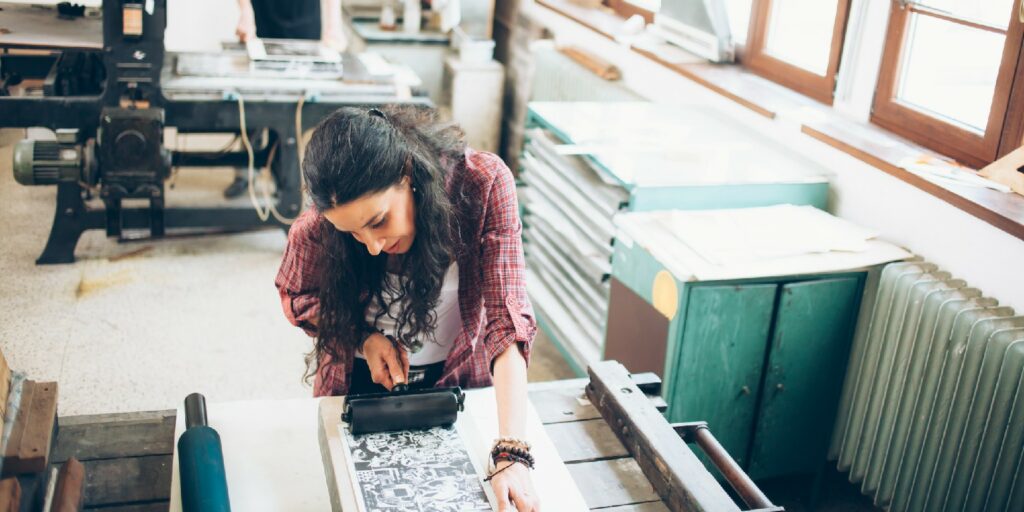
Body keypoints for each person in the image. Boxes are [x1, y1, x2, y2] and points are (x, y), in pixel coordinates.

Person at [275, 106, 541, 511]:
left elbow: (507, 321)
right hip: (353, 389)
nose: (373, 245)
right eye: (353, 233)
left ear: (408, 174)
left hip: (459, 384)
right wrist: (363, 342)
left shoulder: (482, 186)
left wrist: (512, 452)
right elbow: (300, 298)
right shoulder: (316, 228)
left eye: (379, 221)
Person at [225, 0, 347, 198]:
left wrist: (334, 25)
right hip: (262, 18)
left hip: (305, 24)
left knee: (290, 110)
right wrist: (245, 12)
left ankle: (281, 178)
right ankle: (245, 172)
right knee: (253, 102)